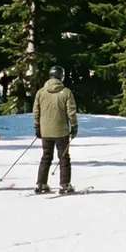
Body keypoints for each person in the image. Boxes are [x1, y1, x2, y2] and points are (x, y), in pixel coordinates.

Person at [32, 64, 78, 194]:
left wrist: (37, 127)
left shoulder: (41, 92)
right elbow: (71, 111)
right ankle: (64, 184)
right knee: (64, 158)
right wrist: (74, 126)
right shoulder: (66, 92)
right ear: (61, 77)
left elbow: (36, 111)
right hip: (61, 131)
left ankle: (41, 184)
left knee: (46, 157)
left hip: (45, 131)